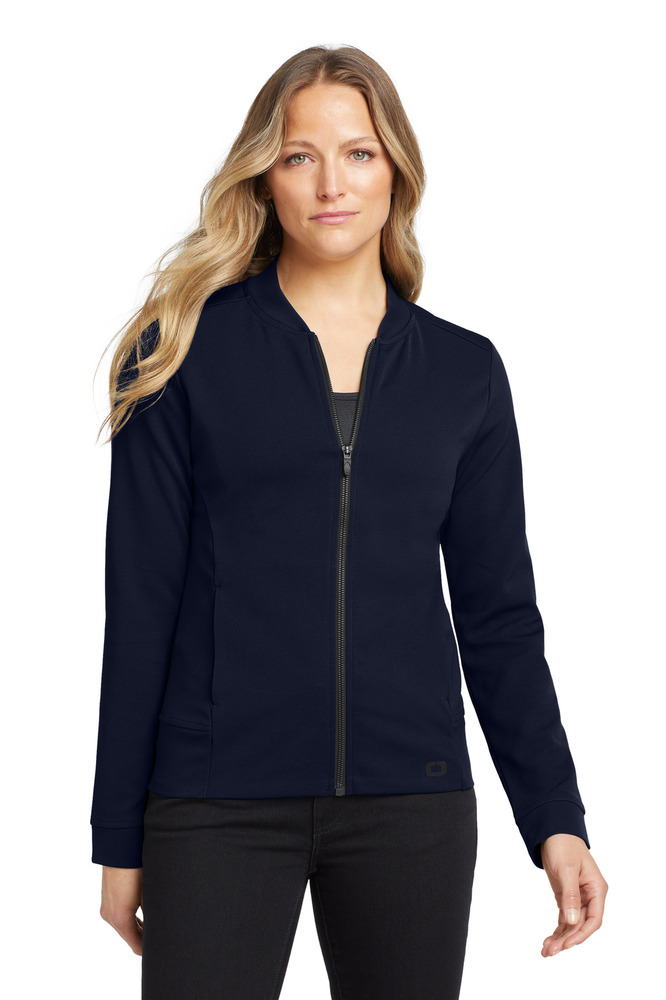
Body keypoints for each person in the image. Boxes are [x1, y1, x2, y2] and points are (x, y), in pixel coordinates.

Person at [90, 43, 608, 1000]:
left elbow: (497, 616)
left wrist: (554, 817)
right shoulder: (180, 352)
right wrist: (117, 836)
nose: (332, 184)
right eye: (300, 156)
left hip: (411, 803)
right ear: (265, 177)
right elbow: (141, 607)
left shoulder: (463, 372)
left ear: (395, 170)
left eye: (358, 153)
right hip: (214, 803)